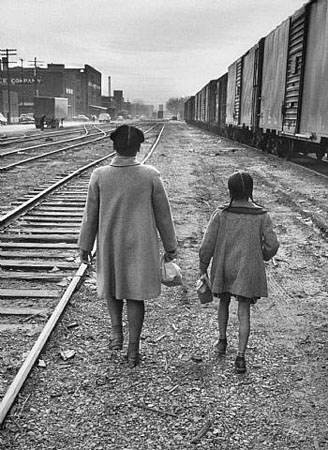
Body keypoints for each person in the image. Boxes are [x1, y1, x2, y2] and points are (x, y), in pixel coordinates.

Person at [78, 125, 177, 367]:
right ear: (138, 148)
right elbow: (163, 214)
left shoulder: (99, 175)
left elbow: (90, 215)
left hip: (110, 242)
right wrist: (170, 245)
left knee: (112, 287)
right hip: (141, 245)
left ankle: (115, 333)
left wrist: (85, 245)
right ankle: (133, 350)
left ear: (114, 146)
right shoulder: (150, 175)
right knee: (135, 295)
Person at [199, 171, 279, 373]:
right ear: (251, 190)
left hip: (224, 265)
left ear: (230, 190)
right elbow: (272, 244)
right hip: (247, 268)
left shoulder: (221, 214)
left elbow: (207, 245)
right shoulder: (262, 216)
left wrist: (203, 267)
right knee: (244, 310)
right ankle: (241, 357)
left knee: (223, 302)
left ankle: (222, 341)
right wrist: (262, 255)